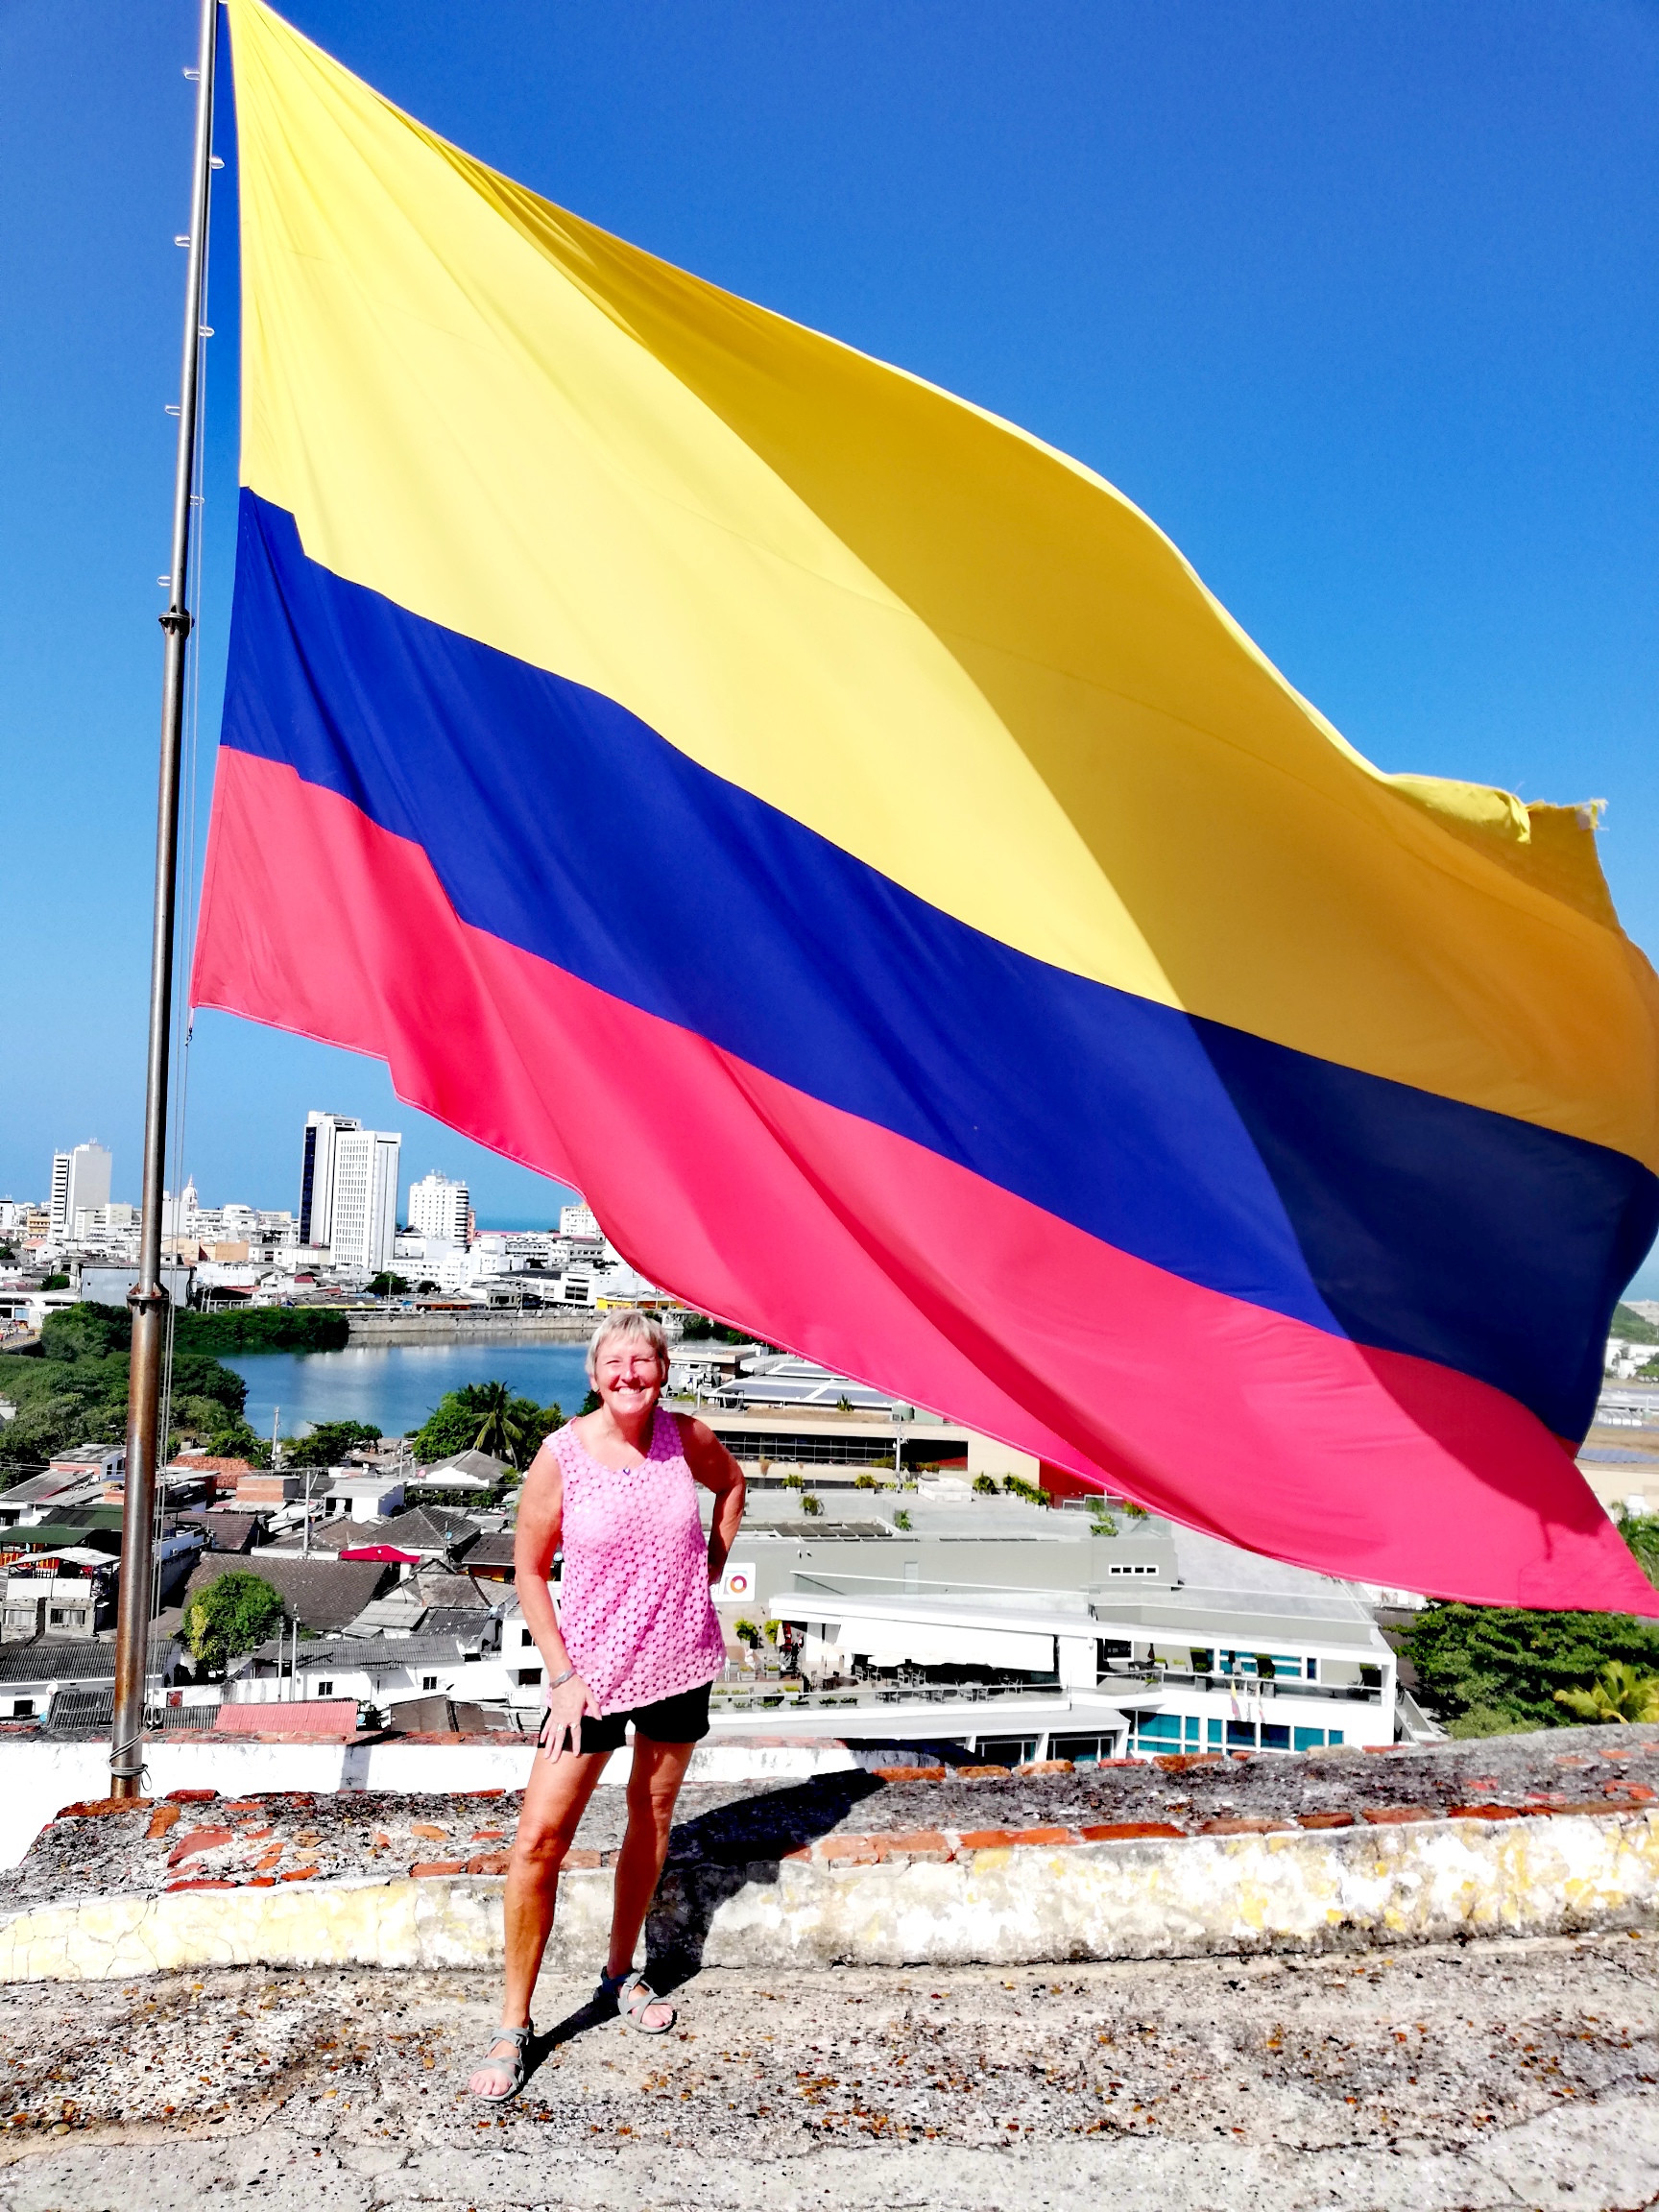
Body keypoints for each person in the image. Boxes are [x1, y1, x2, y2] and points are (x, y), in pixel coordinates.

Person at [469, 1308, 746, 2101]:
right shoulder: (561, 1455)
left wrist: (710, 1568)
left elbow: (731, 1486)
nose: (631, 1376)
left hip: (679, 1662)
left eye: (645, 1363)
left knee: (649, 1821)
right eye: (616, 1363)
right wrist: (560, 1675)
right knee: (539, 1842)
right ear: (594, 1375)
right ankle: (514, 2023)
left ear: (664, 1372)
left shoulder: (684, 1438)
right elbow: (527, 1571)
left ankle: (621, 1974)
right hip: (586, 1675)